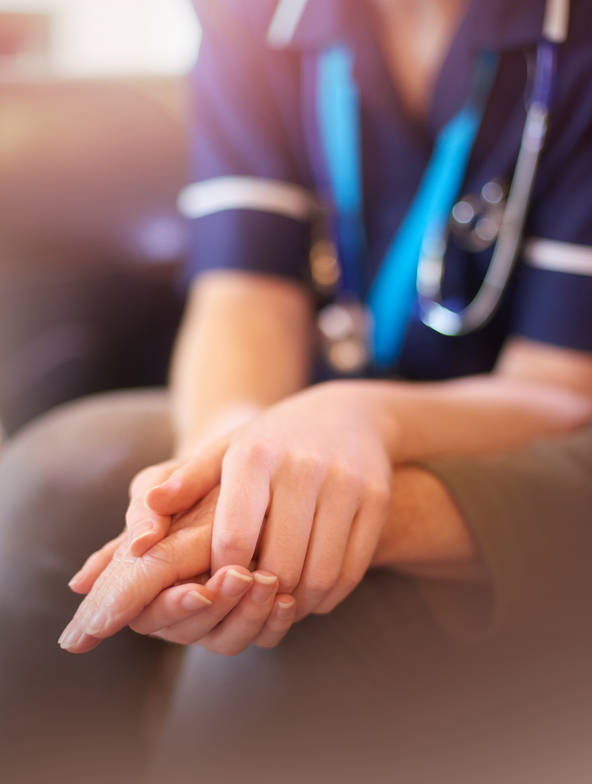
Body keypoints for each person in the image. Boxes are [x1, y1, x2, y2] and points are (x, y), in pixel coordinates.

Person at [2, 1, 592, 782]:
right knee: (59, 476)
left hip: (535, 433)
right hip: (331, 409)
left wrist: (353, 418)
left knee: (290, 611)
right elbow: (245, 293)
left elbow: (560, 389)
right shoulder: (253, 14)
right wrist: (221, 456)